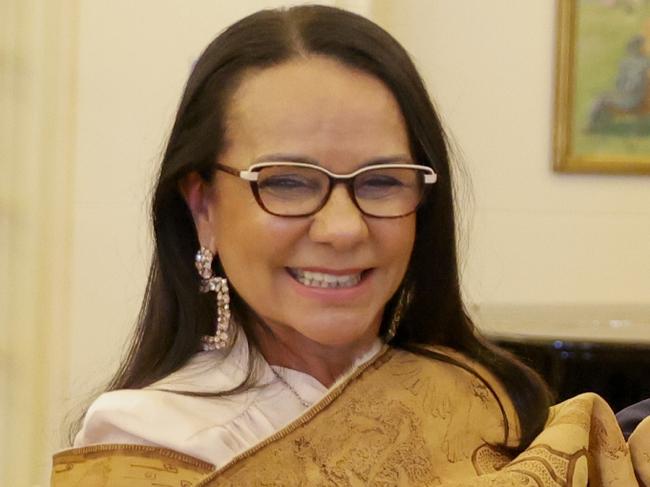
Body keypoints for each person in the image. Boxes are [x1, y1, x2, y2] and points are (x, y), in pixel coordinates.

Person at [52, 5, 640, 486]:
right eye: (286, 181)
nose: (343, 228)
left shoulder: (489, 398)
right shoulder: (147, 441)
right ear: (202, 207)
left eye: (382, 181)